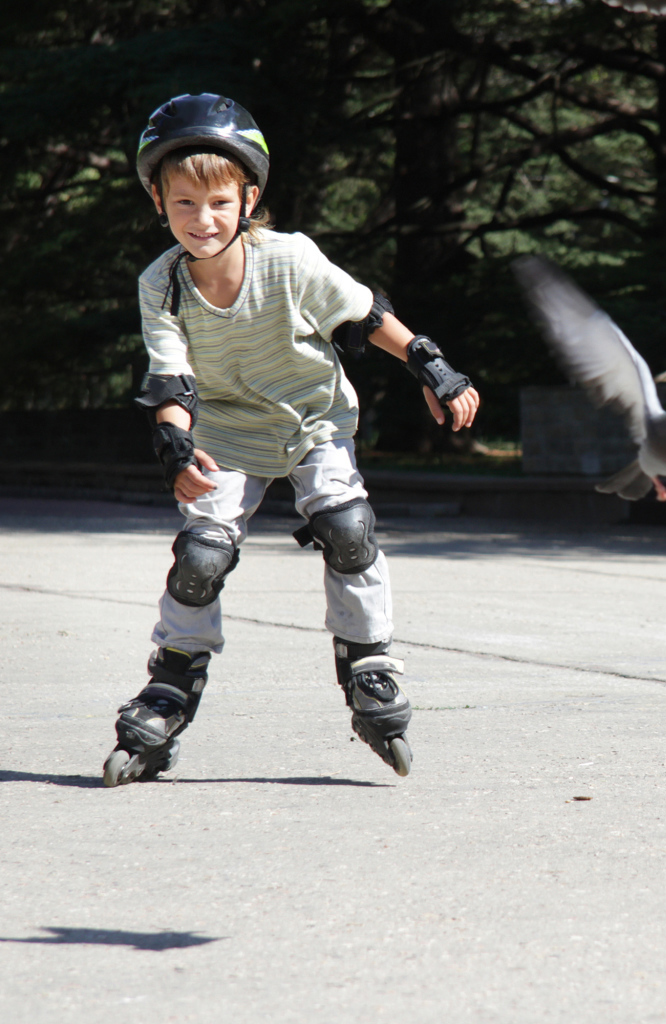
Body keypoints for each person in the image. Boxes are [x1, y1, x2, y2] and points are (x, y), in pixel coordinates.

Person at [102, 93, 480, 787]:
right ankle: (171, 684)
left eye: (217, 203)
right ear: (159, 201)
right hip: (223, 434)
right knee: (201, 555)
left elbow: (366, 317)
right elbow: (171, 380)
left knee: (347, 525)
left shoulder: (289, 260)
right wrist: (177, 448)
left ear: (248, 198)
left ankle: (369, 663)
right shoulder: (161, 285)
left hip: (311, 421)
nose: (201, 220)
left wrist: (433, 366)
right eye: (183, 204)